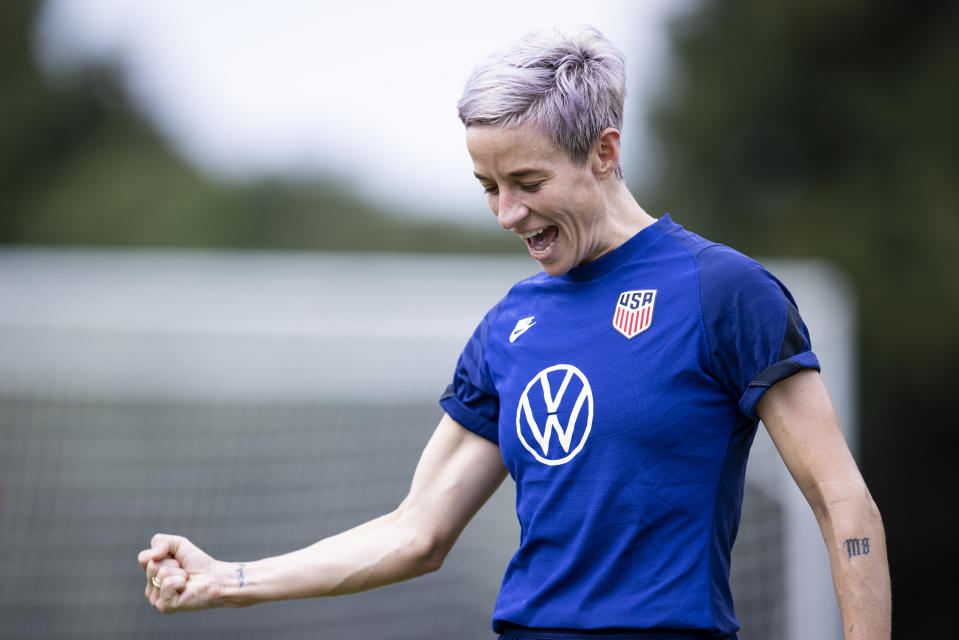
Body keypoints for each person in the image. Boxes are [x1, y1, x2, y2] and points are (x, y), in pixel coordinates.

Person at [139, 27, 891, 639]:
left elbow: (840, 503)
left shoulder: (723, 292)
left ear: (603, 151)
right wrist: (228, 580)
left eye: (527, 184)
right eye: (487, 188)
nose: (506, 215)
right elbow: (415, 531)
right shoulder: (510, 326)